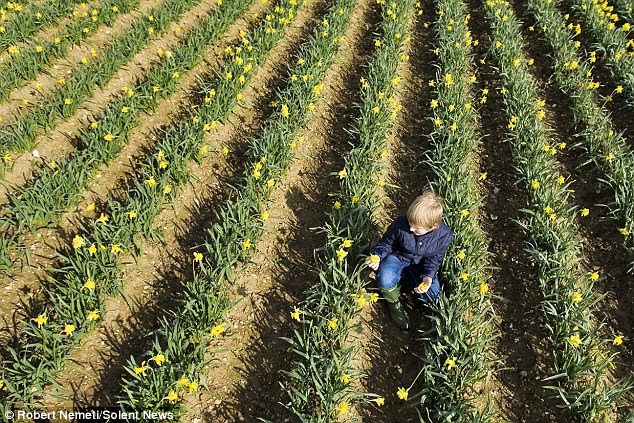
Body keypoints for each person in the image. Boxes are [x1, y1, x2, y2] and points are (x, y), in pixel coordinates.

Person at [365, 190, 454, 330]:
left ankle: (424, 309)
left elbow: (435, 259)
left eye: (417, 229)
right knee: (385, 278)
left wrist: (428, 276)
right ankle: (394, 303)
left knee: (433, 297)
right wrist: (377, 255)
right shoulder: (401, 223)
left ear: (433, 226)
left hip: (420, 264)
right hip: (398, 257)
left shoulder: (444, 236)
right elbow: (386, 243)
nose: (411, 228)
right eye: (410, 222)